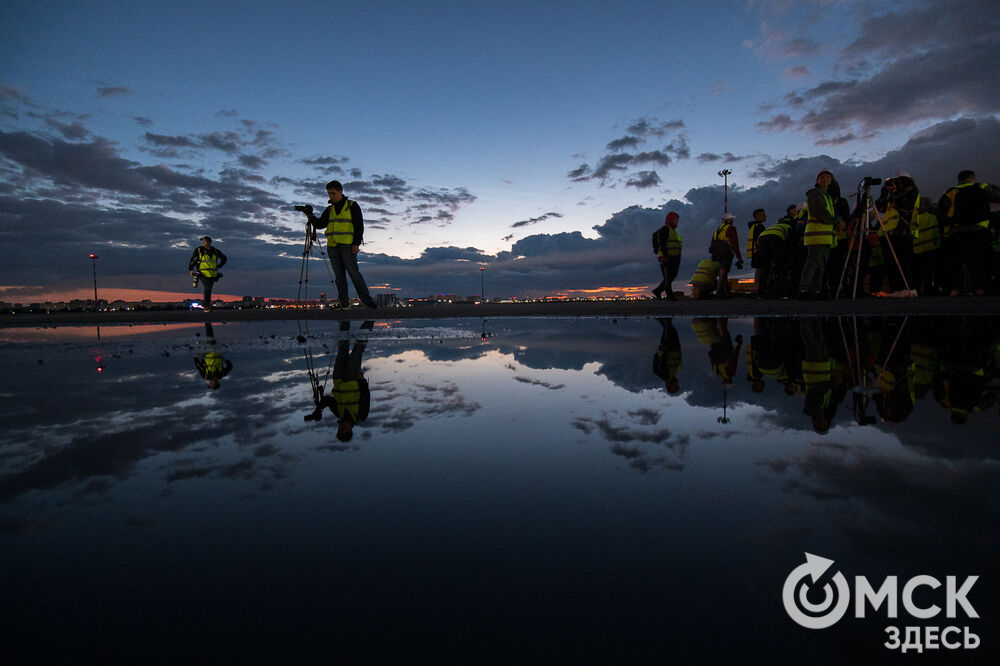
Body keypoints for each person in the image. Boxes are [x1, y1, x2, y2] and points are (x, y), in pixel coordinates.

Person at [304, 180, 377, 309]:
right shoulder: (330, 209)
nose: (330, 196)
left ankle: (367, 301)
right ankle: (344, 304)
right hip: (332, 246)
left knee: (354, 273)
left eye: (333, 193)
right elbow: (321, 224)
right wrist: (310, 216)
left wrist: (356, 244)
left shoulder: (352, 205)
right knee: (339, 277)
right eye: (328, 193)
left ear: (340, 191)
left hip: (347, 245)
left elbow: (359, 225)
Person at [937, 170, 1000, 296]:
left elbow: (941, 212)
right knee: (979, 260)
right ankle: (980, 287)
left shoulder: (950, 192)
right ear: (972, 178)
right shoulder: (982, 187)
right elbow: (997, 196)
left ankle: (955, 288)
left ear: (959, 179)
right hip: (978, 228)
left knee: (956, 261)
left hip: (957, 229)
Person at [305, 339, 370, 441]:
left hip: (338, 378)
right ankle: (366, 327)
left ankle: (344, 326)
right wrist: (362, 380)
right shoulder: (361, 416)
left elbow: (328, 400)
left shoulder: (338, 413)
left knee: (342, 350)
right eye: (343, 431)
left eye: (339, 430)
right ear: (350, 430)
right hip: (352, 379)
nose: (341, 428)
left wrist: (318, 410)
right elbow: (365, 397)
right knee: (357, 352)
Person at [798, 170, 838, 299]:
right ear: (817, 180)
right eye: (822, 177)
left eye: (828, 177)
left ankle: (816, 290)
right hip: (816, 235)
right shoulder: (816, 195)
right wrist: (837, 221)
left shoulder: (826, 196)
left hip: (824, 236)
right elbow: (820, 213)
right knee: (813, 263)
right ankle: (804, 290)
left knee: (820, 265)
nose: (825, 179)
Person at [709, 212, 743, 298]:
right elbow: (735, 243)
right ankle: (719, 291)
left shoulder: (717, 230)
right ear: (729, 220)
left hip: (717, 253)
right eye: (732, 219)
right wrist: (739, 257)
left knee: (723, 272)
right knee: (723, 271)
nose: (733, 221)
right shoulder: (731, 228)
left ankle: (725, 293)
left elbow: (712, 242)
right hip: (727, 252)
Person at [188, 236, 227, 311]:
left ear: (209, 242)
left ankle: (207, 304)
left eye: (204, 241)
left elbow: (224, 258)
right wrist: (191, 269)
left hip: (212, 274)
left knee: (209, 289)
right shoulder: (199, 250)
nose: (203, 243)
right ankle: (206, 305)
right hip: (203, 273)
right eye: (202, 242)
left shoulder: (215, 251)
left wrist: (219, 266)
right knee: (207, 288)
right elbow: (193, 260)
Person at [652, 211, 683, 300]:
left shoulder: (673, 231)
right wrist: (663, 255)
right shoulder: (665, 229)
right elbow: (661, 242)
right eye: (675, 220)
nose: (677, 222)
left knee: (671, 276)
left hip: (675, 258)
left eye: (677, 220)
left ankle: (658, 291)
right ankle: (669, 295)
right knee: (668, 276)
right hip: (666, 257)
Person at [746, 209, 766, 293]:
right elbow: (761, 240)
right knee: (760, 269)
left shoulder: (753, 227)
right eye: (763, 214)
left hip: (755, 251)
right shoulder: (759, 227)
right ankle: (759, 288)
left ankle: (756, 287)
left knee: (758, 270)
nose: (765, 216)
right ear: (757, 216)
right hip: (758, 251)